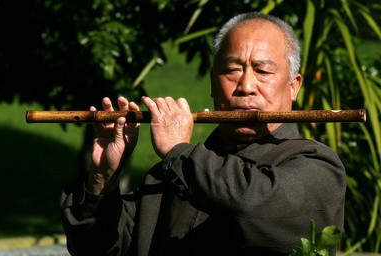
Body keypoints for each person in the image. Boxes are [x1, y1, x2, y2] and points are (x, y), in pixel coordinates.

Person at [60, 12, 346, 256]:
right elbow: (98, 249)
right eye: (231, 70)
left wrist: (179, 153)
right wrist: (101, 179)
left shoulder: (316, 166)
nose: (245, 85)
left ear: (293, 86)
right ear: (212, 82)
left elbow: (251, 208)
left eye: (262, 71)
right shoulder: (168, 175)